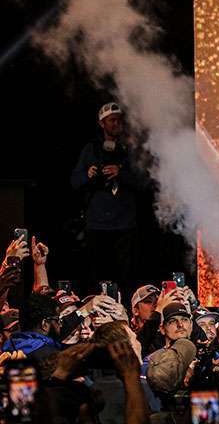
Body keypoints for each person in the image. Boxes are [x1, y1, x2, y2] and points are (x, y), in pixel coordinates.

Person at [70, 102, 146, 295]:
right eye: (112, 120)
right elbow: (75, 181)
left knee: (126, 276)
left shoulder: (132, 149)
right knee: (97, 275)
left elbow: (145, 182)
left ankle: (127, 308)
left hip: (125, 224)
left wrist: (121, 174)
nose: (116, 124)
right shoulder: (91, 149)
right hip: (97, 224)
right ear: (102, 123)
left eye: (119, 120)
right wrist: (88, 175)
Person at [2, 292, 61, 363]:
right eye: (57, 320)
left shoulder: (7, 349)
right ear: (44, 324)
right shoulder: (51, 356)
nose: (60, 325)